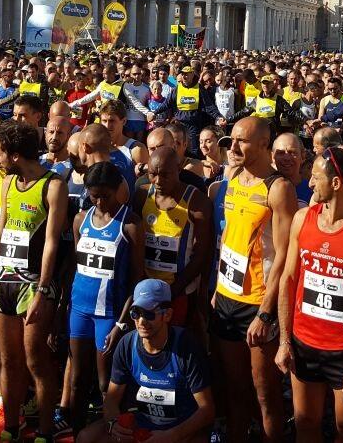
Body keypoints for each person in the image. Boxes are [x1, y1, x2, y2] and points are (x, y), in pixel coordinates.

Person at [276, 147, 343, 442]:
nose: (309, 184)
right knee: (305, 421)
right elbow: (289, 280)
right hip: (303, 343)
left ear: (335, 183)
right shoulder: (302, 219)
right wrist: (284, 341)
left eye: (315, 178)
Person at [0, 119, 69, 442]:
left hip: (33, 284)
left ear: (15, 154)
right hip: (3, 279)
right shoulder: (5, 183)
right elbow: (0, 232)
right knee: (8, 360)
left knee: (36, 361)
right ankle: (11, 426)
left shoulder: (53, 185)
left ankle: (45, 430)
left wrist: (43, 290)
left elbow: (51, 243)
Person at [209, 116, 297, 443]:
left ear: (263, 145)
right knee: (234, 388)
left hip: (258, 302)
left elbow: (286, 256)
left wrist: (266, 311)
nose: (232, 147)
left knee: (265, 395)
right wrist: (219, 286)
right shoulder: (232, 176)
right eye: (231, 140)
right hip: (227, 295)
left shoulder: (279, 188)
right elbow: (229, 237)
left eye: (241, 142)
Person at [78, 279, 215, 443]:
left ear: (167, 315)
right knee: (86, 438)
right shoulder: (127, 345)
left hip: (179, 430)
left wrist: (170, 436)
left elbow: (207, 411)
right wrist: (114, 424)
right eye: (136, 313)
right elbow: (111, 400)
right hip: (141, 427)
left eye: (149, 314)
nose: (141, 321)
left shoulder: (187, 347)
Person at [68, 161, 144, 432]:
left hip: (109, 314)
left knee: (106, 385)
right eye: (94, 195)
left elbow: (137, 279)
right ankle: (77, 433)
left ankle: (113, 434)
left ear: (118, 190)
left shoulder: (131, 223)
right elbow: (78, 267)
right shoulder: (81, 219)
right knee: (77, 380)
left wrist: (121, 324)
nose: (100, 201)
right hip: (79, 310)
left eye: (106, 196)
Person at [140, 147, 211, 326]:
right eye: (152, 174)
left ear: (179, 170)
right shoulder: (141, 195)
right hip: (146, 289)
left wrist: (173, 290)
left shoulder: (197, 201)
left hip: (179, 292)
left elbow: (201, 254)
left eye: (165, 175)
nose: (158, 181)